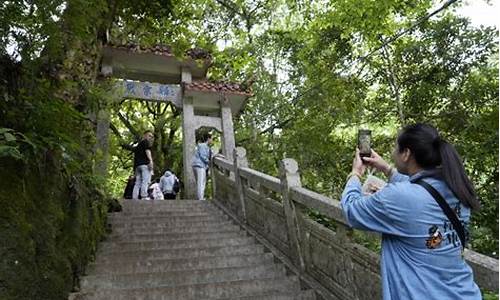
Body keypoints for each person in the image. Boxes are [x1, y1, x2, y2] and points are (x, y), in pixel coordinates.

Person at [341, 123, 481, 300]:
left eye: (395, 147)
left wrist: (355, 174)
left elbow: (351, 210)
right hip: (465, 293)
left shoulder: (400, 196)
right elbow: (420, 188)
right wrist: (387, 169)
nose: (393, 152)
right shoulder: (457, 187)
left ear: (406, 154)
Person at [132, 130, 154, 200]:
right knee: (145, 180)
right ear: (144, 135)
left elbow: (135, 157)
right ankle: (144, 196)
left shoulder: (138, 146)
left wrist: (135, 168)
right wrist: (151, 161)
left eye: (152, 137)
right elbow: (148, 152)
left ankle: (134, 197)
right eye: (149, 136)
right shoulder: (145, 142)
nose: (150, 138)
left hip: (137, 166)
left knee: (138, 182)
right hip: (144, 165)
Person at [191, 133, 213, 200]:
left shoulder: (203, 146)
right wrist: (209, 162)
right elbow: (203, 156)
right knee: (201, 182)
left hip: (197, 165)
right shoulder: (203, 146)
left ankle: (201, 197)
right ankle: (200, 198)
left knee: (200, 181)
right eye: (211, 138)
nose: (212, 140)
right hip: (200, 165)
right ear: (208, 139)